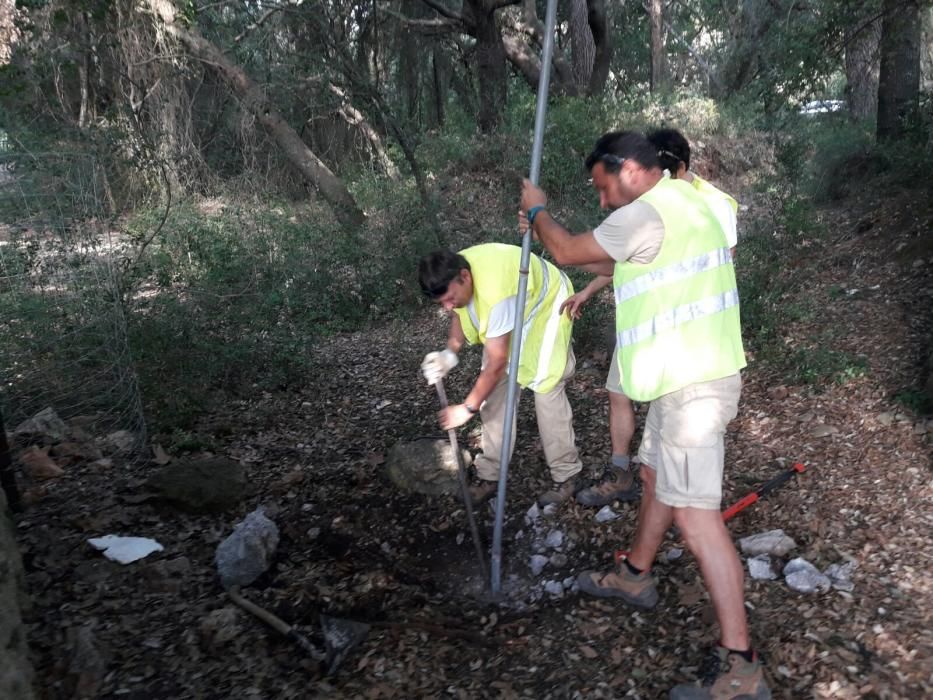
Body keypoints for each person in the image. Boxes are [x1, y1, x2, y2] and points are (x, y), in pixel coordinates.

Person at [519, 132, 768, 700]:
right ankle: (635, 575)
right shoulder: (690, 202)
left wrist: (537, 210)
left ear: (630, 169)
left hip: (694, 391)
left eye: (603, 187)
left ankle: (742, 668)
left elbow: (565, 250)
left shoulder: (649, 212)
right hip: (682, 380)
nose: (604, 201)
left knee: (698, 519)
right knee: (653, 477)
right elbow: (617, 261)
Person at [571, 127, 741, 509]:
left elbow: (701, 270)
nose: (657, 177)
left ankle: (659, 542)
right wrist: (589, 289)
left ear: (676, 168)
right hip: (653, 343)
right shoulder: (658, 205)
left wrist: (538, 216)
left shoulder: (707, 206)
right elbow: (632, 260)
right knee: (652, 469)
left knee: (696, 518)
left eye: (665, 169)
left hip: (692, 361)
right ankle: (636, 560)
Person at [418, 243, 583, 507]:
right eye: (442, 302)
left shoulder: (495, 290)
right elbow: (459, 314)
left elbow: (495, 365)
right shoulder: (457, 274)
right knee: (494, 395)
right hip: (514, 310)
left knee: (546, 390)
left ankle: (567, 475)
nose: (448, 307)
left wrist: (467, 408)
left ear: (465, 277)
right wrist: (449, 354)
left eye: (449, 298)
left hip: (548, 304)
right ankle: (491, 475)